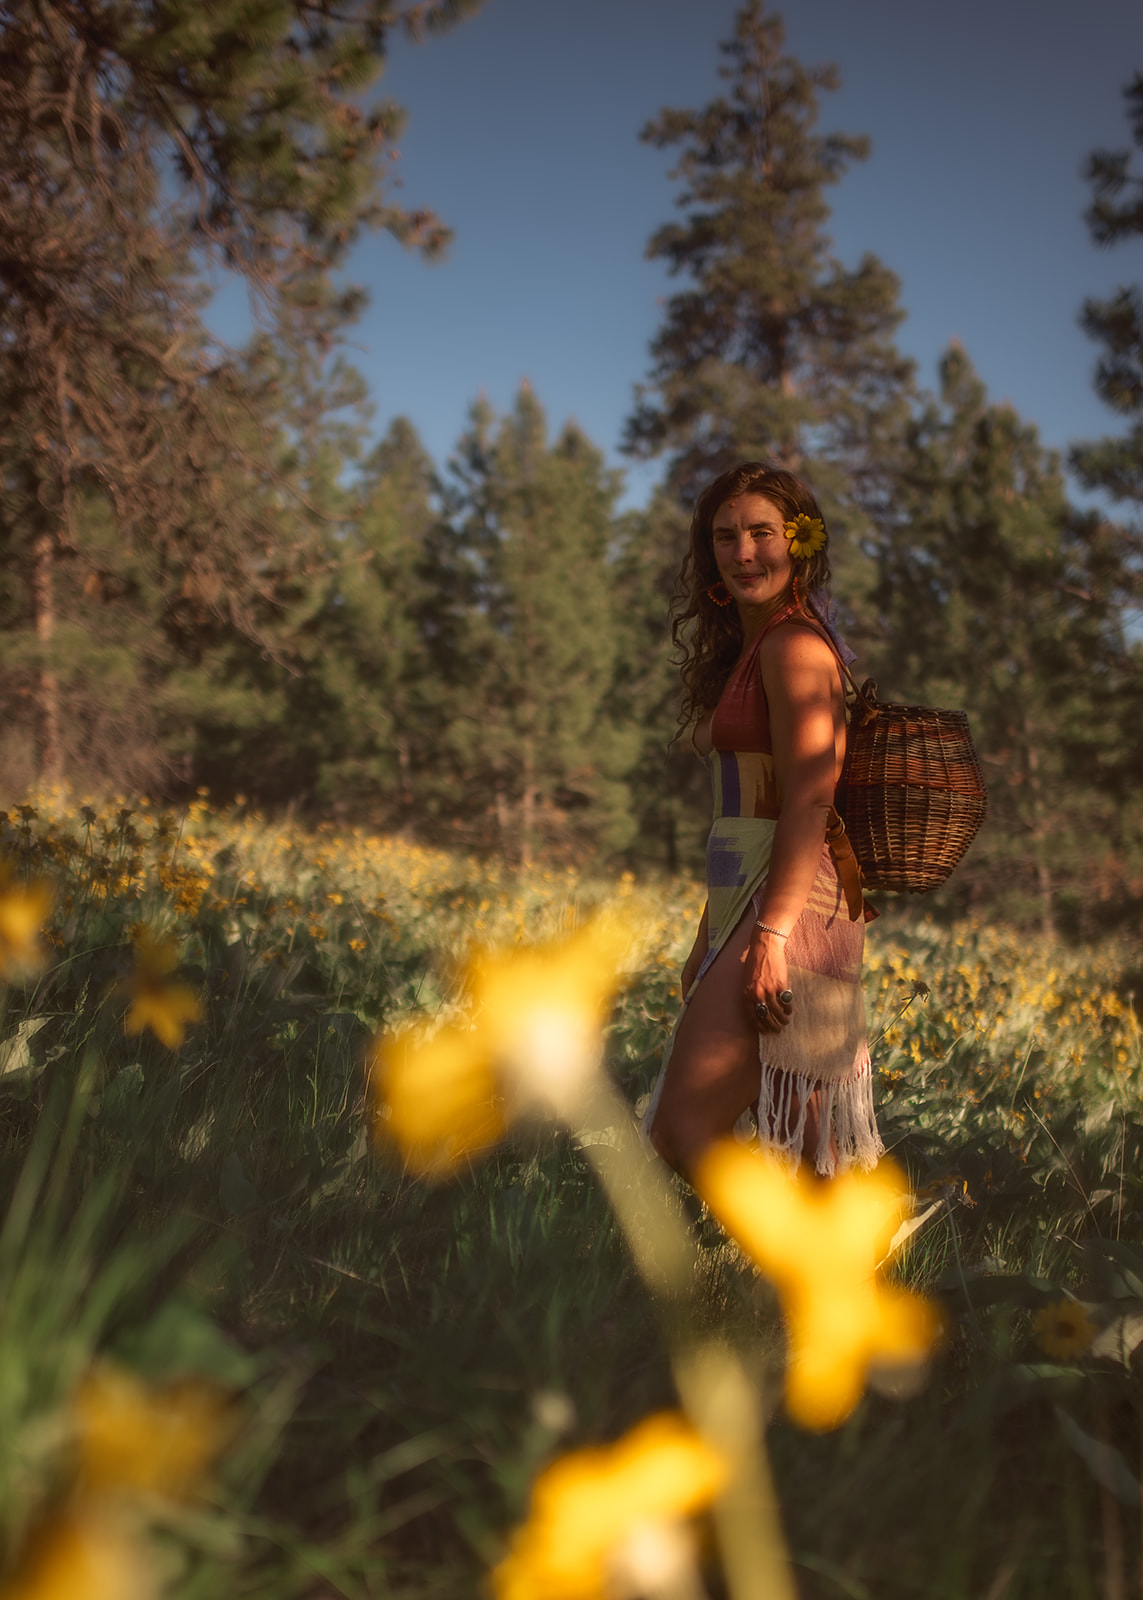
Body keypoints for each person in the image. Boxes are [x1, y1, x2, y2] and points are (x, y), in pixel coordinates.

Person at [645, 462, 881, 1179]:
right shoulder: (758, 647)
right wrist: (707, 934)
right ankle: (836, 1281)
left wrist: (770, 934)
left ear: (798, 544)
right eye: (724, 537)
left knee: (684, 1129)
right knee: (812, 1148)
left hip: (791, 902)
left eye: (760, 532)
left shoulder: (794, 647)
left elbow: (809, 798)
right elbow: (744, 813)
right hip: (752, 897)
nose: (742, 551)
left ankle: (817, 1277)